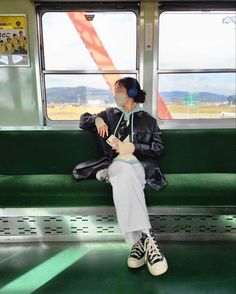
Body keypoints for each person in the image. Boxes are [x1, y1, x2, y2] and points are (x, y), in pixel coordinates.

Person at [79, 77, 168, 276]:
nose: (115, 93)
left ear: (132, 93)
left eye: (118, 90)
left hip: (142, 168)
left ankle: (137, 243)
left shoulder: (149, 120)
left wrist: (136, 147)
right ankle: (148, 238)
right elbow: (83, 120)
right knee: (124, 172)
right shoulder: (109, 115)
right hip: (115, 165)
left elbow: (158, 148)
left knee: (128, 175)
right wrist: (96, 119)